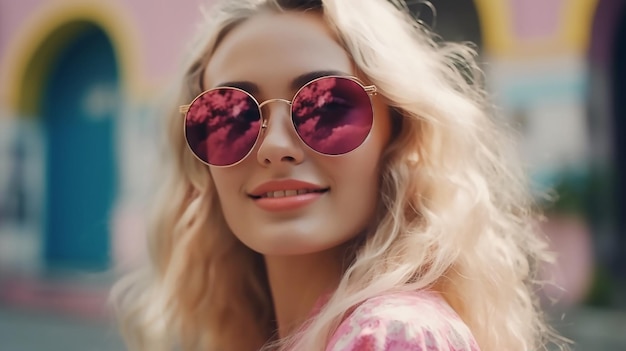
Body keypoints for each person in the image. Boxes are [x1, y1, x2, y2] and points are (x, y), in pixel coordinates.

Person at [112, 0, 570, 350]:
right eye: (229, 115)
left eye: (329, 106)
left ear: (399, 133)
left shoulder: (391, 336)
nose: (274, 147)